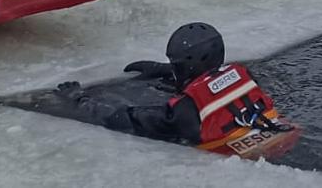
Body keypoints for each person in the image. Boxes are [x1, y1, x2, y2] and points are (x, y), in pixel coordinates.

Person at [59, 23, 293, 157]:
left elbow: (124, 118)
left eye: (177, 64)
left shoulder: (183, 111)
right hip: (286, 136)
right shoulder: (243, 76)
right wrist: (164, 70)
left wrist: (79, 99)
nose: (175, 69)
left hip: (250, 160)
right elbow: (209, 83)